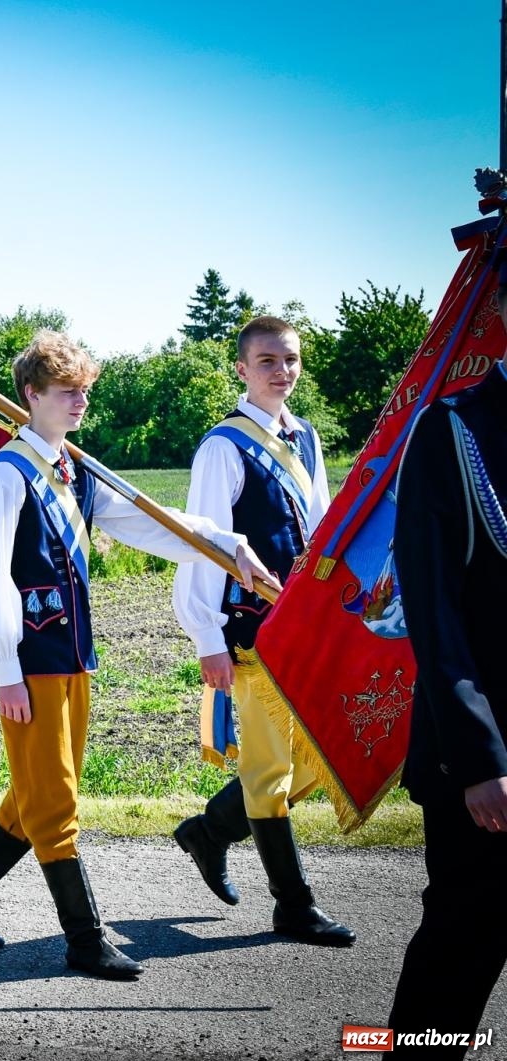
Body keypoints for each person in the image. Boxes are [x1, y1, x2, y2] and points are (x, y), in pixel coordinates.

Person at [0, 330, 276, 980]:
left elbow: (153, 524)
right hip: (29, 664)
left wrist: (224, 541)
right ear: (32, 394)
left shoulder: (76, 472)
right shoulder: (6, 475)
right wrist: (5, 670)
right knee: (55, 798)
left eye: (85, 391)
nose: (80, 402)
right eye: (67, 391)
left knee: (37, 788)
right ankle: (85, 939)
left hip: (72, 658)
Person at [169, 315, 355, 947]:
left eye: (292, 359)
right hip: (250, 634)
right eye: (268, 361)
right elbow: (201, 546)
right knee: (272, 767)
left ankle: (210, 831)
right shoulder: (222, 446)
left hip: (301, 626)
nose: (283, 371)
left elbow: (323, 527)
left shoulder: (305, 439)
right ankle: (293, 906)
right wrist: (208, 641)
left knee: (311, 758)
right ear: (243, 370)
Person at [383, 287, 507, 1061]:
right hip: (488, 763)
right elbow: (434, 611)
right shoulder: (452, 428)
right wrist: (480, 757)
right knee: (454, 973)